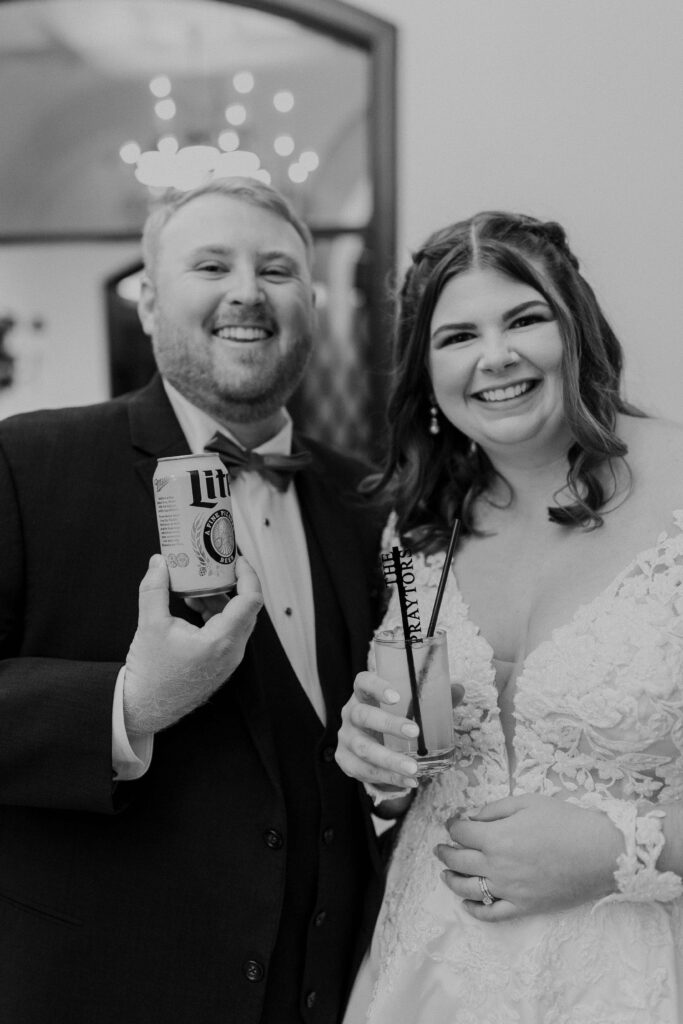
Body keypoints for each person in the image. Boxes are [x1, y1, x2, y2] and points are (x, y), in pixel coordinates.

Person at [0, 176, 387, 1024]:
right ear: (146, 300)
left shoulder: (367, 500)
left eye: (277, 269)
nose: (247, 291)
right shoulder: (25, 466)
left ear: (311, 303)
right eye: (211, 264)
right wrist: (127, 706)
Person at [336, 210, 683, 1023]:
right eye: (457, 335)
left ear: (577, 331)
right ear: (425, 376)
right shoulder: (417, 529)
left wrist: (614, 851)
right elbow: (412, 767)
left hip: (629, 977)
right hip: (426, 974)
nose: (495, 356)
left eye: (525, 319)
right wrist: (377, 769)